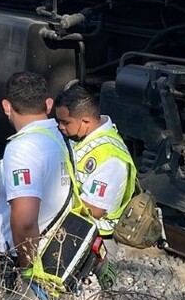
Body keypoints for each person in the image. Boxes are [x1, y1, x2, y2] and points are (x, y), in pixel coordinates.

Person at [0, 71, 72, 292]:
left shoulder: (22, 149)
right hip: (57, 254)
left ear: (6, 106)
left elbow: (24, 221)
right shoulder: (61, 138)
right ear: (49, 104)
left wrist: (28, 272)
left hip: (17, 264)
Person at [54, 85, 137, 238]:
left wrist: (51, 202)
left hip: (94, 237)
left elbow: (95, 209)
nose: (60, 127)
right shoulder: (86, 137)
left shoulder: (111, 158)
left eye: (65, 122)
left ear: (85, 121)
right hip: (80, 230)